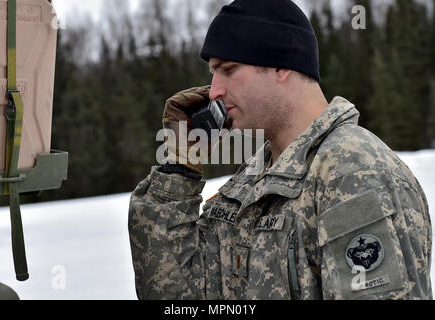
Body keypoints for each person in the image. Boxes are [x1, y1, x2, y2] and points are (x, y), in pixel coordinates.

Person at [128, 0, 432, 299]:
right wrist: (180, 166)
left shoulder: (352, 173)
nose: (214, 90)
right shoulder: (250, 182)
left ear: (280, 66)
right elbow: (175, 295)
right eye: (213, 73)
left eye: (228, 69)